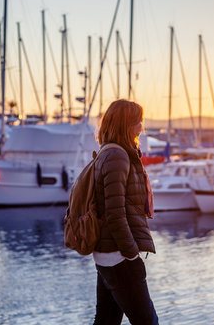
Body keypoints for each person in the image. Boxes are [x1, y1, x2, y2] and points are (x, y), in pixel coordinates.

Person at [93, 99, 158, 325]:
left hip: (109, 253)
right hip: (118, 256)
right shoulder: (117, 157)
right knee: (147, 321)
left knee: (106, 321)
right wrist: (131, 255)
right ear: (125, 125)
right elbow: (115, 213)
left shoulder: (110, 153)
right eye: (137, 122)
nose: (141, 127)